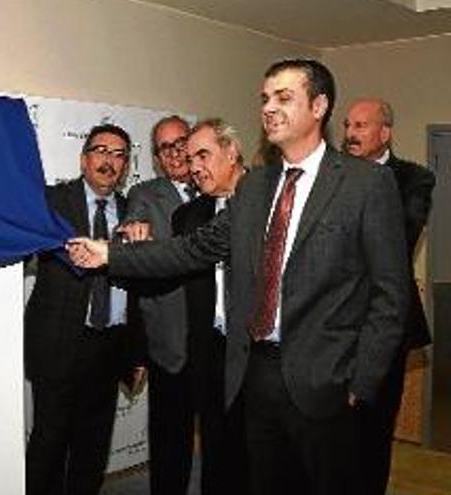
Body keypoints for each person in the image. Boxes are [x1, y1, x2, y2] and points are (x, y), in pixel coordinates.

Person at [68, 59, 410, 495]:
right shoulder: (255, 188)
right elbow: (190, 249)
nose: (269, 108)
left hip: (328, 383)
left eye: (284, 98)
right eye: (265, 99)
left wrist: (362, 380)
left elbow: (390, 295)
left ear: (319, 105)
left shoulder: (367, 184)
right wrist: (110, 255)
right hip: (256, 376)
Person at [25, 124, 144, 495]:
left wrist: (137, 353)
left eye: (119, 154)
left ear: (126, 166)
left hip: (110, 348)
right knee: (48, 445)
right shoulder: (51, 202)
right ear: (84, 158)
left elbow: (142, 290)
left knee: (92, 448)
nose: (110, 161)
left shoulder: (134, 213)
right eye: (101, 151)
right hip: (59, 345)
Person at [343, 97, 435, 495]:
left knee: (373, 431)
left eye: (361, 126)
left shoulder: (414, 179)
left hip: (385, 326)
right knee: (331, 434)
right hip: (332, 324)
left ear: (385, 133)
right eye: (347, 125)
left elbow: (399, 238)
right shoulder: (332, 175)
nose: (349, 134)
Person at [171, 118, 249, 495]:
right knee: (216, 451)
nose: (194, 166)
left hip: (260, 352)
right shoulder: (187, 217)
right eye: (190, 159)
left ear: (232, 152)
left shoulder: (271, 200)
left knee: (264, 454)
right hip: (209, 350)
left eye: (203, 154)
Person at [124, 115, 199, 495]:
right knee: (170, 439)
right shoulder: (145, 196)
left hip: (218, 339)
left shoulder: (219, 190)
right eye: (164, 147)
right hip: (171, 342)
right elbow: (135, 226)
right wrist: (136, 233)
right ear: (156, 157)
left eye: (180, 142)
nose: (174, 153)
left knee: (225, 438)